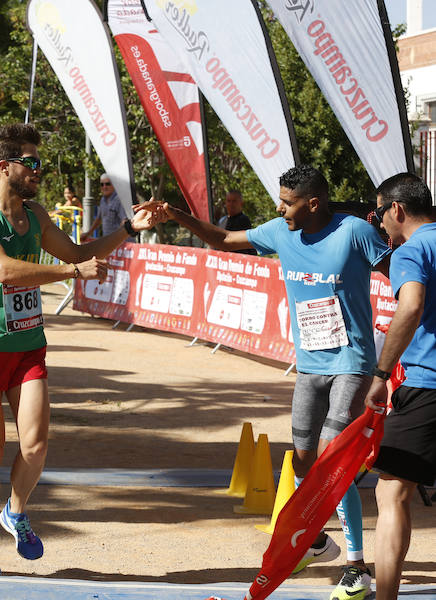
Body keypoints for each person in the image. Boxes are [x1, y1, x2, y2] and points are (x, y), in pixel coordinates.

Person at [155, 164, 390, 600]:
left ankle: (357, 568)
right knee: (302, 462)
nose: (280, 209)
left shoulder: (354, 232)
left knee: (332, 463)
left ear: (313, 203)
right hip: (310, 366)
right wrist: (175, 213)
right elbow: (223, 239)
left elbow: (403, 276)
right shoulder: (281, 232)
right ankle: (316, 542)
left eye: (287, 202)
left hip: (352, 364)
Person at [0, 123, 159, 575]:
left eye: (39, 162)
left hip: (27, 343)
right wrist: (72, 274)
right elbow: (4, 270)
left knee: (36, 445)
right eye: (30, 162)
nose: (38, 170)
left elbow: (78, 253)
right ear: (4, 167)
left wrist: (128, 228)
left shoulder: (36, 214)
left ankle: (15, 512)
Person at [362, 173, 436, 600]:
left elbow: (410, 307)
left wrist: (380, 375)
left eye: (378, 214)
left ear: (397, 210)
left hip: (428, 385)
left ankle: (386, 597)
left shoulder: (412, 250)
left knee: (391, 491)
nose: (379, 224)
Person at [82, 174, 131, 240]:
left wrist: (117, 237)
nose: (104, 187)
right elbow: (99, 219)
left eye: (107, 184)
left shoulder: (120, 200)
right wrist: (88, 233)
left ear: (114, 185)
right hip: (110, 241)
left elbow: (125, 221)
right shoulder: (103, 200)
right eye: (102, 184)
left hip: (122, 241)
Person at [217, 190, 256, 255]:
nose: (231, 204)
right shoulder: (222, 221)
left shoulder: (243, 220)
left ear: (241, 203)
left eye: (234, 201)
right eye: (228, 201)